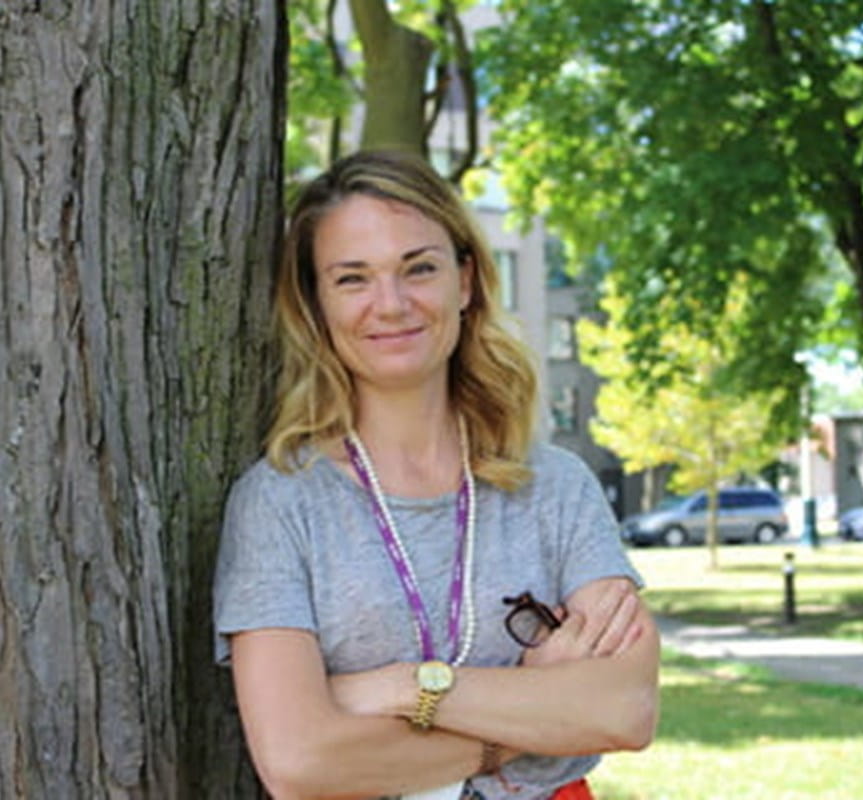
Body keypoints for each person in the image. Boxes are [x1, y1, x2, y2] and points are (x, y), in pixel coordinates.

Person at [213, 150, 661, 800]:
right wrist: (529, 724)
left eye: (418, 268)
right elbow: (299, 761)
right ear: (316, 302)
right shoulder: (279, 503)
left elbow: (622, 710)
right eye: (352, 279)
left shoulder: (555, 488)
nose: (390, 304)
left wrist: (400, 688)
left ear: (467, 280)